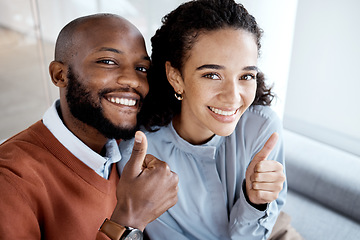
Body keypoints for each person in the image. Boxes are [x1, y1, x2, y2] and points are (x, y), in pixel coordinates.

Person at [118, 0, 289, 239]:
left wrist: (255, 203)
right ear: (176, 77)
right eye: (212, 74)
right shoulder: (140, 155)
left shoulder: (262, 128)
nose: (233, 96)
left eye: (246, 75)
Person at [0, 13, 178, 239]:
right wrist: (129, 220)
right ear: (60, 75)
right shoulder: (10, 181)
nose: (133, 80)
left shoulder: (128, 152)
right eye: (108, 62)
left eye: (141, 68)